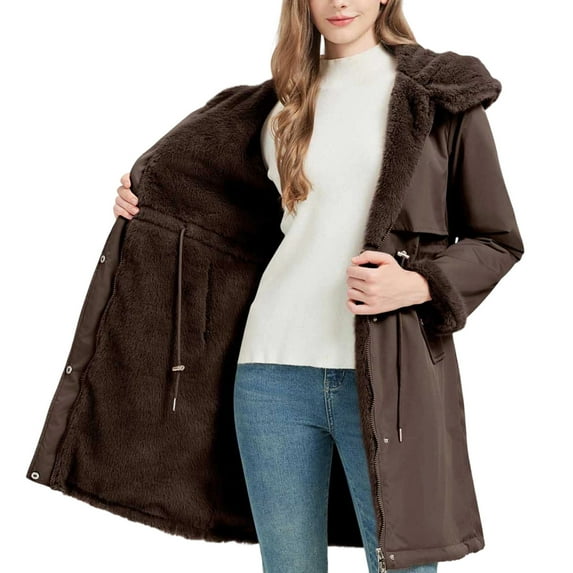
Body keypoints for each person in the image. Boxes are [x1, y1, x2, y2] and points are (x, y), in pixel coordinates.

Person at [108, 2, 516, 572]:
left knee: (405, 564)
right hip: (269, 374)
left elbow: (497, 240)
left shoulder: (440, 95)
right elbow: (212, 205)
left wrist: (420, 284)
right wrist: (145, 197)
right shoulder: (273, 104)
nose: (340, 2)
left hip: (386, 373)